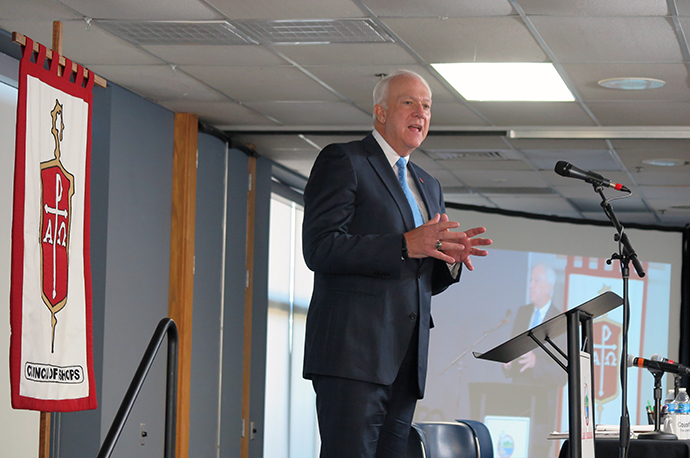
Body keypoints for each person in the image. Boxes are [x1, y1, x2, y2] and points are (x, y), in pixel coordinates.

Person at [301, 69, 492, 458]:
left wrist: (448, 261)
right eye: (409, 103)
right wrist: (405, 245)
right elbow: (319, 248)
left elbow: (419, 273)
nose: (420, 113)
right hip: (352, 356)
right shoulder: (345, 160)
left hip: (405, 362)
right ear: (381, 112)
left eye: (427, 106)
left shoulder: (428, 184)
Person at [503, 263, 566, 458]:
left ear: (549, 286)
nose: (531, 285)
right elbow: (514, 351)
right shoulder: (523, 313)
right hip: (516, 401)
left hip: (541, 408)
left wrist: (535, 364)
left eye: (536, 281)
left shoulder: (560, 319)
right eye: (530, 280)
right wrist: (508, 363)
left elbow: (563, 373)